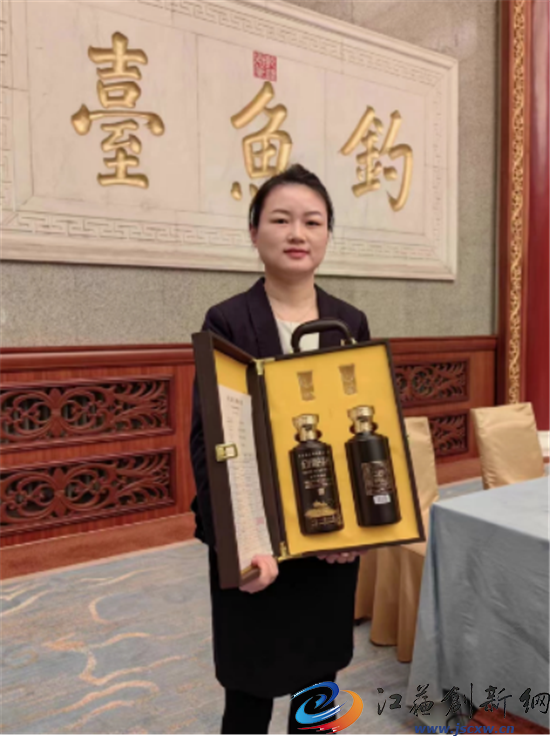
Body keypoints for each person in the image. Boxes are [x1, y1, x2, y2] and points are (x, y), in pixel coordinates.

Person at [189, 164, 371, 734]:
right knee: (248, 690)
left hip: (328, 542)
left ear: (327, 235)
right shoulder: (227, 320)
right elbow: (209, 442)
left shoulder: (350, 321)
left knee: (318, 686)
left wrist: (355, 532)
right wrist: (238, 549)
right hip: (256, 542)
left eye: (312, 221)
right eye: (281, 220)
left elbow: (363, 433)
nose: (298, 233)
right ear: (254, 232)